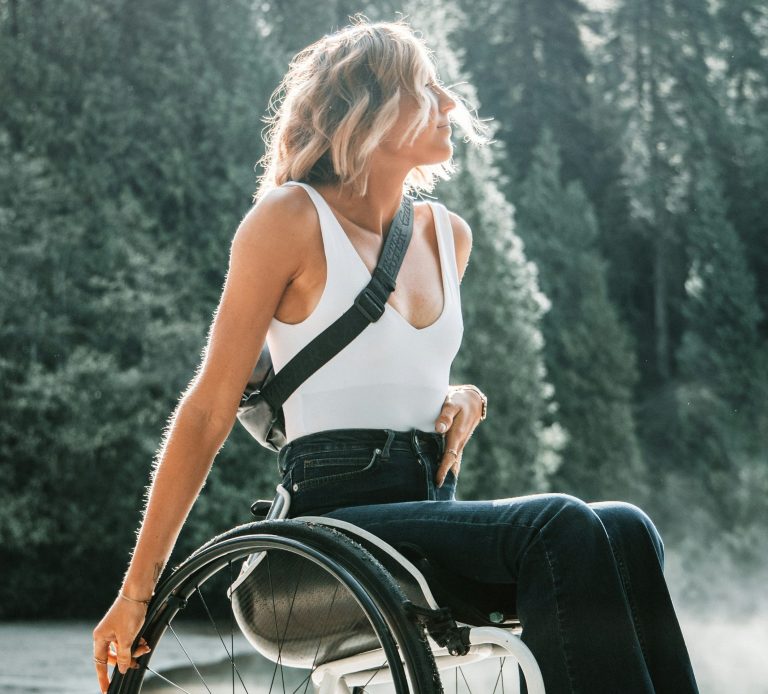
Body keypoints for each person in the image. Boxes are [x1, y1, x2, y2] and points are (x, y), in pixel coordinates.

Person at [92, 15, 700, 694]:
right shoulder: (288, 220)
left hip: (422, 513)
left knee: (626, 530)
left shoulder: (449, 237)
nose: (449, 103)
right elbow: (207, 410)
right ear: (369, 110)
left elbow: (381, 368)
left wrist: (447, 397)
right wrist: (137, 592)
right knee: (559, 524)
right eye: (425, 87)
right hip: (322, 542)